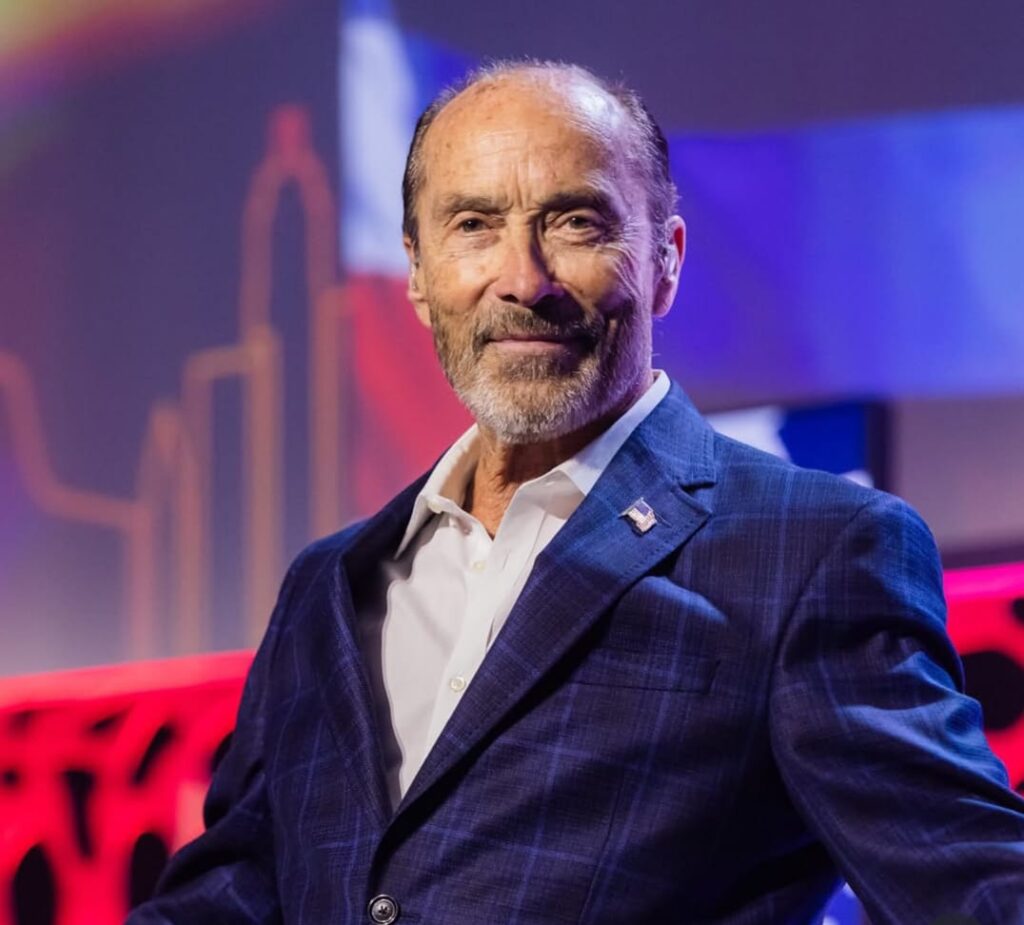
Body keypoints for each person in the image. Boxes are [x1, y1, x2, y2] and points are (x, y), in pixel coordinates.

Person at [127, 61, 1024, 925]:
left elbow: (970, 878)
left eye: (576, 223)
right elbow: (234, 895)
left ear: (665, 260)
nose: (524, 279)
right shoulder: (329, 585)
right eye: (474, 225)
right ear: (418, 273)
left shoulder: (812, 551)